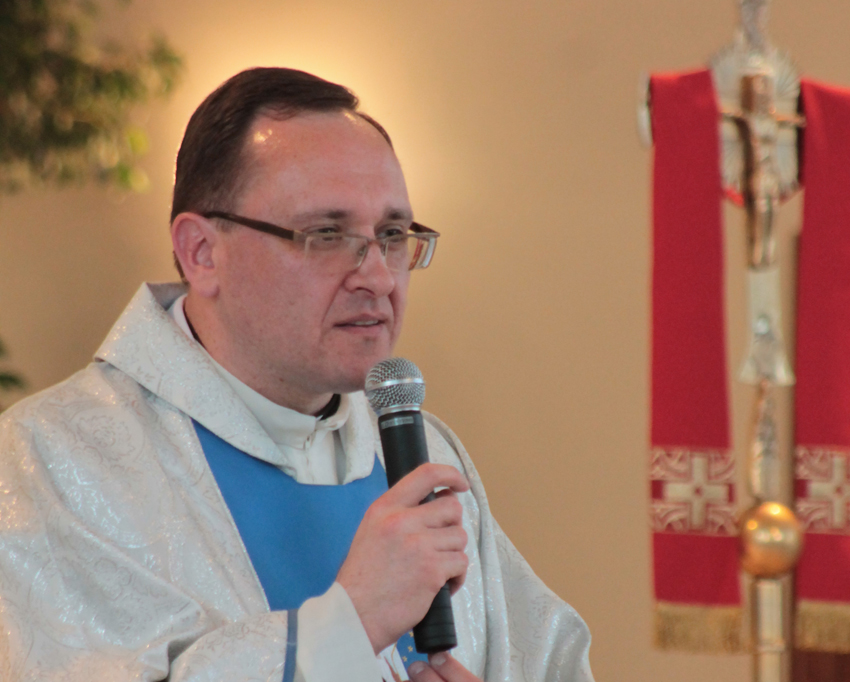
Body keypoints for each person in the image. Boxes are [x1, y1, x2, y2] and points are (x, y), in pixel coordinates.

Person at [0, 67, 593, 682]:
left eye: (392, 235)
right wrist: (346, 627)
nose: (378, 277)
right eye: (327, 234)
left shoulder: (425, 454)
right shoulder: (55, 460)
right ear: (202, 252)